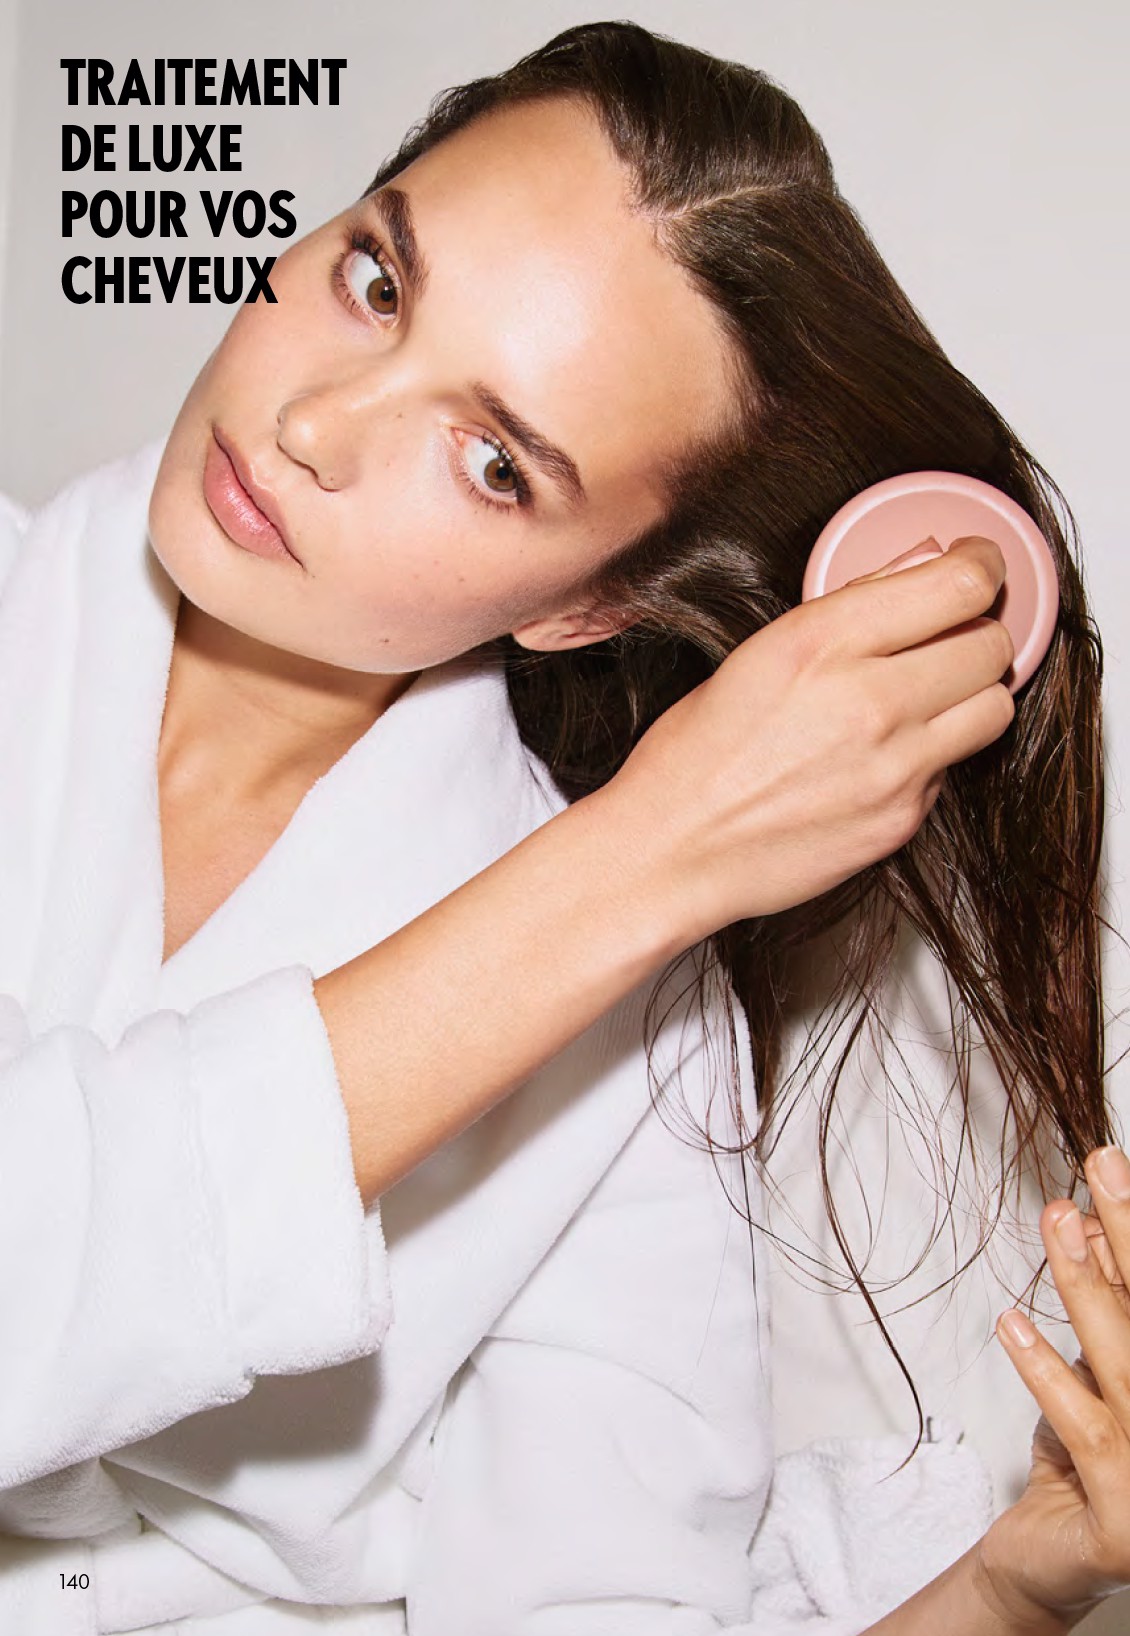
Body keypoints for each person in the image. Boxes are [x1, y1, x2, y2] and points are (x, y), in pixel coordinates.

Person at [0, 18, 1126, 1636]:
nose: (314, 421)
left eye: (490, 462)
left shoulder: (641, 1051)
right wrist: (645, 855)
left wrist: (1011, 1584)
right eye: (377, 279)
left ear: (591, 606)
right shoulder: (619, 908)